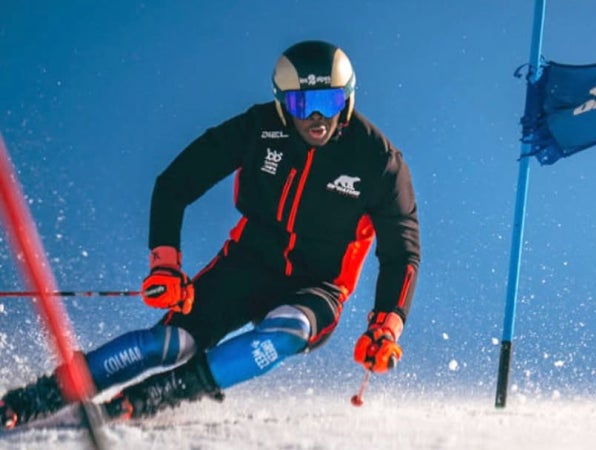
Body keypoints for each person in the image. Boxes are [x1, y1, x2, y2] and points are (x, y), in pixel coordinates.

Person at [0, 40, 421, 428]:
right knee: (169, 342)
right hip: (246, 265)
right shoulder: (259, 128)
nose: (315, 117)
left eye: (328, 101)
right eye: (300, 102)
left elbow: (401, 251)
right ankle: (34, 399)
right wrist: (165, 265)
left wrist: (386, 325)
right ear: (282, 103)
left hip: (318, 287)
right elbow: (175, 183)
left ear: (347, 100)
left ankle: (150, 397)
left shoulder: (379, 161)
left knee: (287, 331)